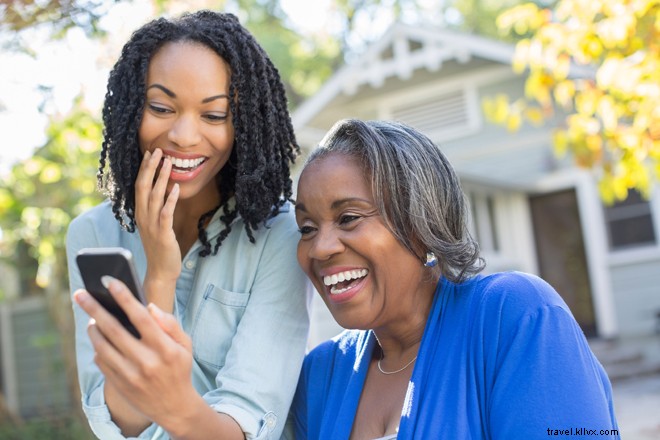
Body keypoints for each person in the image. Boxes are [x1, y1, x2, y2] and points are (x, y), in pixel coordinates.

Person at [285, 119, 620, 439]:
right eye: (307, 228)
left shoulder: (516, 318)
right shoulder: (320, 376)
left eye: (348, 218)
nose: (319, 248)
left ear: (421, 224)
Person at [66, 10, 311, 440]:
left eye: (214, 115)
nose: (182, 135)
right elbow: (120, 423)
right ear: (130, 109)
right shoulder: (92, 236)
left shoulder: (280, 236)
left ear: (244, 126)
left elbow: (246, 426)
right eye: (161, 107)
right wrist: (159, 276)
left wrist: (168, 401)